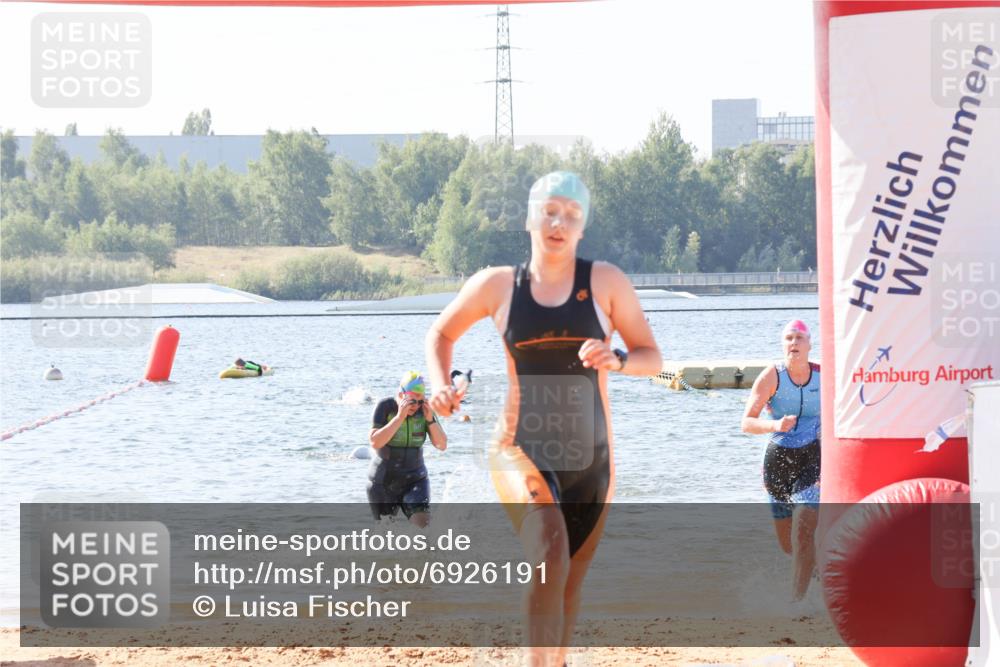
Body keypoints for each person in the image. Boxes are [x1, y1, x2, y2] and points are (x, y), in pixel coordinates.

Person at [425, 171, 661, 667]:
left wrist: (618, 359)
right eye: (549, 211)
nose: (559, 223)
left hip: (593, 461)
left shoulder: (606, 282)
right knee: (549, 553)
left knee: (568, 585)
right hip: (519, 446)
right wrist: (442, 385)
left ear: (583, 227)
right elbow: (441, 334)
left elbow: (650, 356)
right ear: (530, 218)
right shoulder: (497, 285)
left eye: (571, 215)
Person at [740, 319, 821, 601]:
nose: (794, 343)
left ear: (810, 344)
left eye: (799, 338)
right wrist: (775, 425)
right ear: (782, 344)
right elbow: (747, 423)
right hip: (778, 461)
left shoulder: (824, 376)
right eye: (789, 338)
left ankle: (795, 604)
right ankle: (821, 582)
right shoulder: (771, 376)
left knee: (804, 529)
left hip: (813, 456)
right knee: (789, 545)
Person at [368, 371, 447, 528]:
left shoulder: (425, 411)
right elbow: (375, 442)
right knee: (385, 533)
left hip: (415, 479)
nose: (416, 406)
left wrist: (430, 420)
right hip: (383, 481)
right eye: (411, 401)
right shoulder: (386, 407)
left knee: (423, 531)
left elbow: (441, 445)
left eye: (420, 401)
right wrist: (399, 417)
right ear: (401, 394)